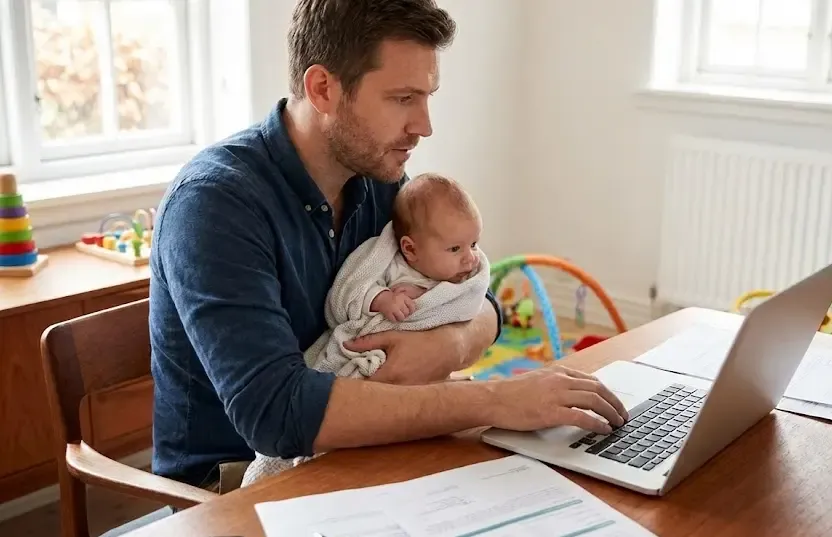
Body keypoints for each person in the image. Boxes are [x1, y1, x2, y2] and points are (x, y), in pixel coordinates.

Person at [148, 0, 628, 495]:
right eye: (403, 98)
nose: (424, 124)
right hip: (236, 485)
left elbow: (477, 300)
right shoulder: (214, 204)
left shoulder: (377, 178)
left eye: (427, 97)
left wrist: (449, 344)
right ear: (323, 89)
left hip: (355, 452)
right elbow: (276, 414)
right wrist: (494, 399)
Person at [241, 172, 493, 486]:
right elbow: (347, 293)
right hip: (354, 367)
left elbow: (482, 304)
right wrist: (381, 298)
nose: (471, 259)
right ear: (410, 249)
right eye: (456, 249)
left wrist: (447, 340)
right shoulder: (386, 258)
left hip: (414, 396)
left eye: (474, 244)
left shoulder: (389, 181)